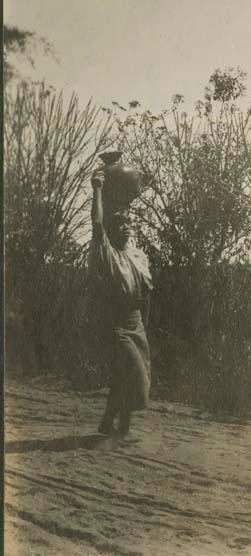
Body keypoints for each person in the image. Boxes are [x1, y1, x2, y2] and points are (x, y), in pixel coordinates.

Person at [88, 164, 153, 438]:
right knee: (136, 381)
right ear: (110, 232)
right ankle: (115, 428)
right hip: (116, 325)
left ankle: (114, 427)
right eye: (119, 225)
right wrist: (98, 190)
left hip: (137, 322)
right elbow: (97, 223)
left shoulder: (137, 255)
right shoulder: (108, 255)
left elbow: (146, 296)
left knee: (123, 378)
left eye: (128, 224)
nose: (125, 228)